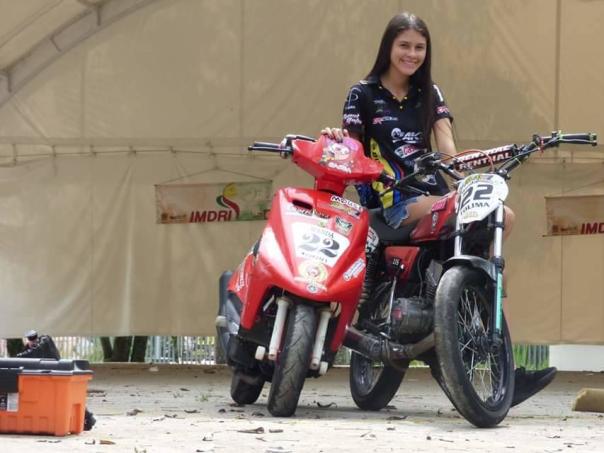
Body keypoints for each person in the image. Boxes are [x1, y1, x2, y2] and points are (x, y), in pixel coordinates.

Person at [323, 11, 556, 407]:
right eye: (404, 46)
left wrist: (475, 172)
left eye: (419, 47)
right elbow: (350, 148)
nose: (411, 54)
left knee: (502, 216)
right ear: (388, 47)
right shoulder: (362, 94)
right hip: (390, 200)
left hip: (434, 196)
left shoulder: (431, 93)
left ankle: (475, 314)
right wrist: (335, 138)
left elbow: (449, 152)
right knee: (468, 213)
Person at [17, 330, 97, 430]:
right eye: (31, 340)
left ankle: (88, 418)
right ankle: (88, 418)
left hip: (56, 373)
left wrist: (26, 350)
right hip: (49, 375)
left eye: (33, 339)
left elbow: (30, 354)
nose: (32, 342)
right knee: (65, 399)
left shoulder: (44, 341)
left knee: (66, 398)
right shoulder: (34, 346)